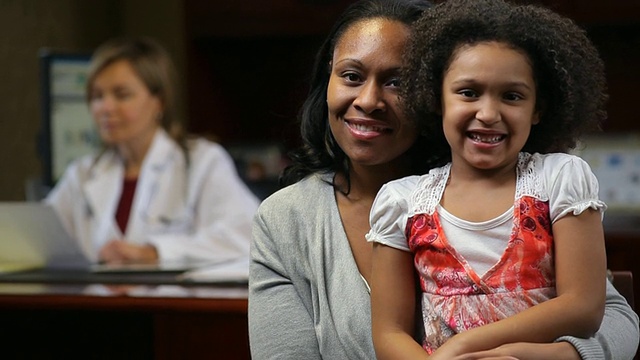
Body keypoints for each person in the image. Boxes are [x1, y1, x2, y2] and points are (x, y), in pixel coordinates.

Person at [248, 0, 639, 359]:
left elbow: (608, 319)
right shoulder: (288, 219)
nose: (368, 100)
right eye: (351, 76)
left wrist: (555, 357)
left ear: (423, 92)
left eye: (396, 82)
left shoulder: (541, 185)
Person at [367, 0, 631, 358]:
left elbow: (583, 308)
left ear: (538, 109)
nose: (488, 113)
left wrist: (464, 345)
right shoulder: (401, 202)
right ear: (435, 99)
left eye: (512, 96)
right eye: (468, 92)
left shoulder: (560, 179)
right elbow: (389, 334)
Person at [45, 37, 259, 265]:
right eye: (97, 96)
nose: (105, 108)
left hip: (169, 299)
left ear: (159, 101)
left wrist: (154, 252)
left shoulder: (201, 161)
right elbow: (35, 238)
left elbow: (246, 236)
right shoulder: (83, 174)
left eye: (121, 94)